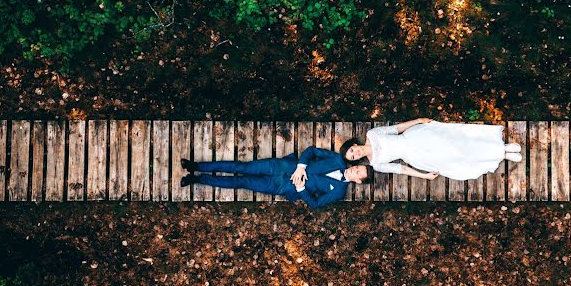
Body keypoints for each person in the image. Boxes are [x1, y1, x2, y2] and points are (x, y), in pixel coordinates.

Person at [179, 146, 373, 208]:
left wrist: (300, 189)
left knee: (242, 181)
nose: (354, 170)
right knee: (241, 166)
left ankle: (197, 179)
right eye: (357, 167)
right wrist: (301, 166)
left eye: (358, 174)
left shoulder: (338, 192)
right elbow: (311, 151)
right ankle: (195, 166)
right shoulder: (337, 159)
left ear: (357, 181)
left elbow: (315, 204)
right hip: (282, 166)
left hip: (283, 186)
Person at [340, 118, 522, 181]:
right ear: (357, 161)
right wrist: (424, 175)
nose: (356, 154)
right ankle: (503, 155)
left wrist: (418, 121)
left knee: (457, 141)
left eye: (352, 151)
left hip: (416, 137)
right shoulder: (376, 163)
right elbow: (401, 169)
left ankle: (502, 147)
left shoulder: (373, 134)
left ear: (354, 145)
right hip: (415, 156)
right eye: (354, 157)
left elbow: (397, 129)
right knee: (456, 156)